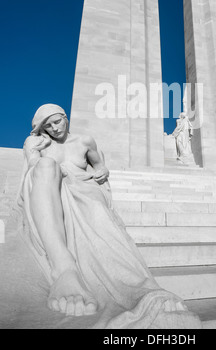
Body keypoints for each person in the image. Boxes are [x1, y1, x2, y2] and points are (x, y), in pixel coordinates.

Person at [17, 104, 201, 329]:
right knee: (45, 166)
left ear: (65, 118)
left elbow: (100, 166)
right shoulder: (39, 143)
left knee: (98, 214)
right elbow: (32, 171)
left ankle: (138, 288)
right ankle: (63, 269)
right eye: (48, 126)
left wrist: (102, 171)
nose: (54, 128)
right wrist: (33, 151)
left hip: (85, 189)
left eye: (57, 121)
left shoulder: (85, 141)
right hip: (52, 190)